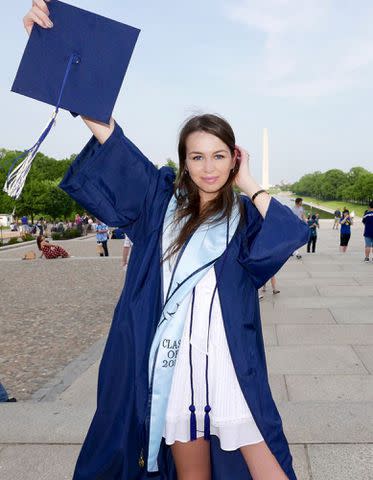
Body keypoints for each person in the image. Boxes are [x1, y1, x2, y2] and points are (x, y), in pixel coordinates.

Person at [26, 4, 309, 480]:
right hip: (174, 369)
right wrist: (58, 43)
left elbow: (288, 236)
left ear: (233, 159)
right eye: (197, 156)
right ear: (184, 161)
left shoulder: (242, 218)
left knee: (270, 469)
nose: (209, 166)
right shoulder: (161, 205)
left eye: (220, 155)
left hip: (227, 366)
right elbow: (108, 132)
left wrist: (251, 182)